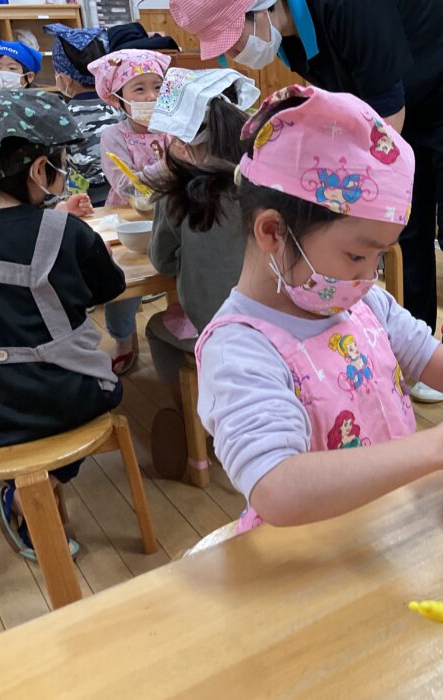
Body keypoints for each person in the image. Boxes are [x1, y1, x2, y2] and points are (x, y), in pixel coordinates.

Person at [187, 85, 443, 530]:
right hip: (314, 553)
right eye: (358, 255)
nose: (369, 275)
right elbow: (277, 489)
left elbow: (438, 363)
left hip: (390, 529)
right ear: (273, 233)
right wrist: (436, 447)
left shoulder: (363, 303)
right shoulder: (238, 349)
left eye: (379, 256)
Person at [169, 0, 443, 403]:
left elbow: (382, 124)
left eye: (233, 38)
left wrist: (348, 201)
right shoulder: (289, 40)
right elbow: (353, 110)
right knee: (408, 229)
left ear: (259, 6)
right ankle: (414, 344)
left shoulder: (349, 9)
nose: (235, 53)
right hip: (402, 101)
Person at [0, 89, 126, 561]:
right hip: (69, 399)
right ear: (40, 170)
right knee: (107, 388)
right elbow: (110, 287)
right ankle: (36, 491)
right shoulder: (68, 232)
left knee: (12, 420)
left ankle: (19, 489)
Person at [141, 67, 258, 479]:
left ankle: (198, 427)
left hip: (214, 327)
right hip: (276, 322)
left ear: (185, 141)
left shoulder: (179, 193)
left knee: (156, 328)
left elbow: (162, 261)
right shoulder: (264, 184)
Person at [88, 49, 171, 375]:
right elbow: (126, 185)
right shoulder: (113, 136)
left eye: (158, 87)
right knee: (123, 284)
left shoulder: (174, 130)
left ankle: (181, 323)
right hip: (128, 219)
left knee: (178, 272)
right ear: (118, 98)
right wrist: (172, 163)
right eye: (139, 89)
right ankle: (123, 339)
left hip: (171, 216)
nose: (151, 96)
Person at [44, 24, 125, 207]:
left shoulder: (60, 117)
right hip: (129, 195)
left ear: (65, 78)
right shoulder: (122, 107)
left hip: (84, 204)